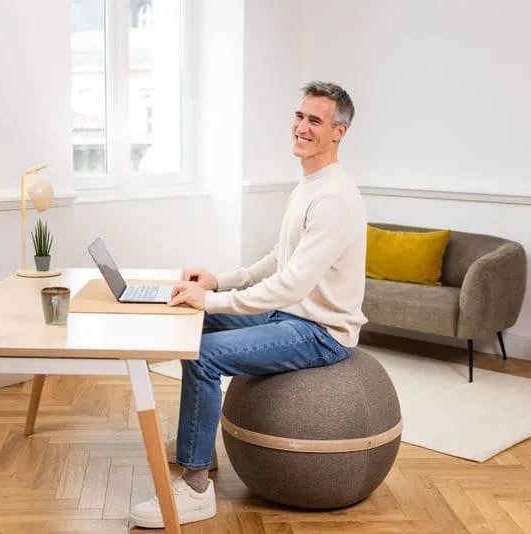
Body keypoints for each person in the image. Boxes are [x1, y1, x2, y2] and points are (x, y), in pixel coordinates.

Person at [129, 81, 368, 528]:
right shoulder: (310, 185)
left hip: (322, 333)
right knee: (193, 331)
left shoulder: (335, 197)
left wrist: (216, 299)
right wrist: (221, 279)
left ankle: (196, 488)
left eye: (315, 120)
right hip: (292, 317)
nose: (301, 127)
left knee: (202, 354)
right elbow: (279, 259)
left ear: (339, 133)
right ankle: (196, 452)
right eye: (299, 116)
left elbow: (291, 284)